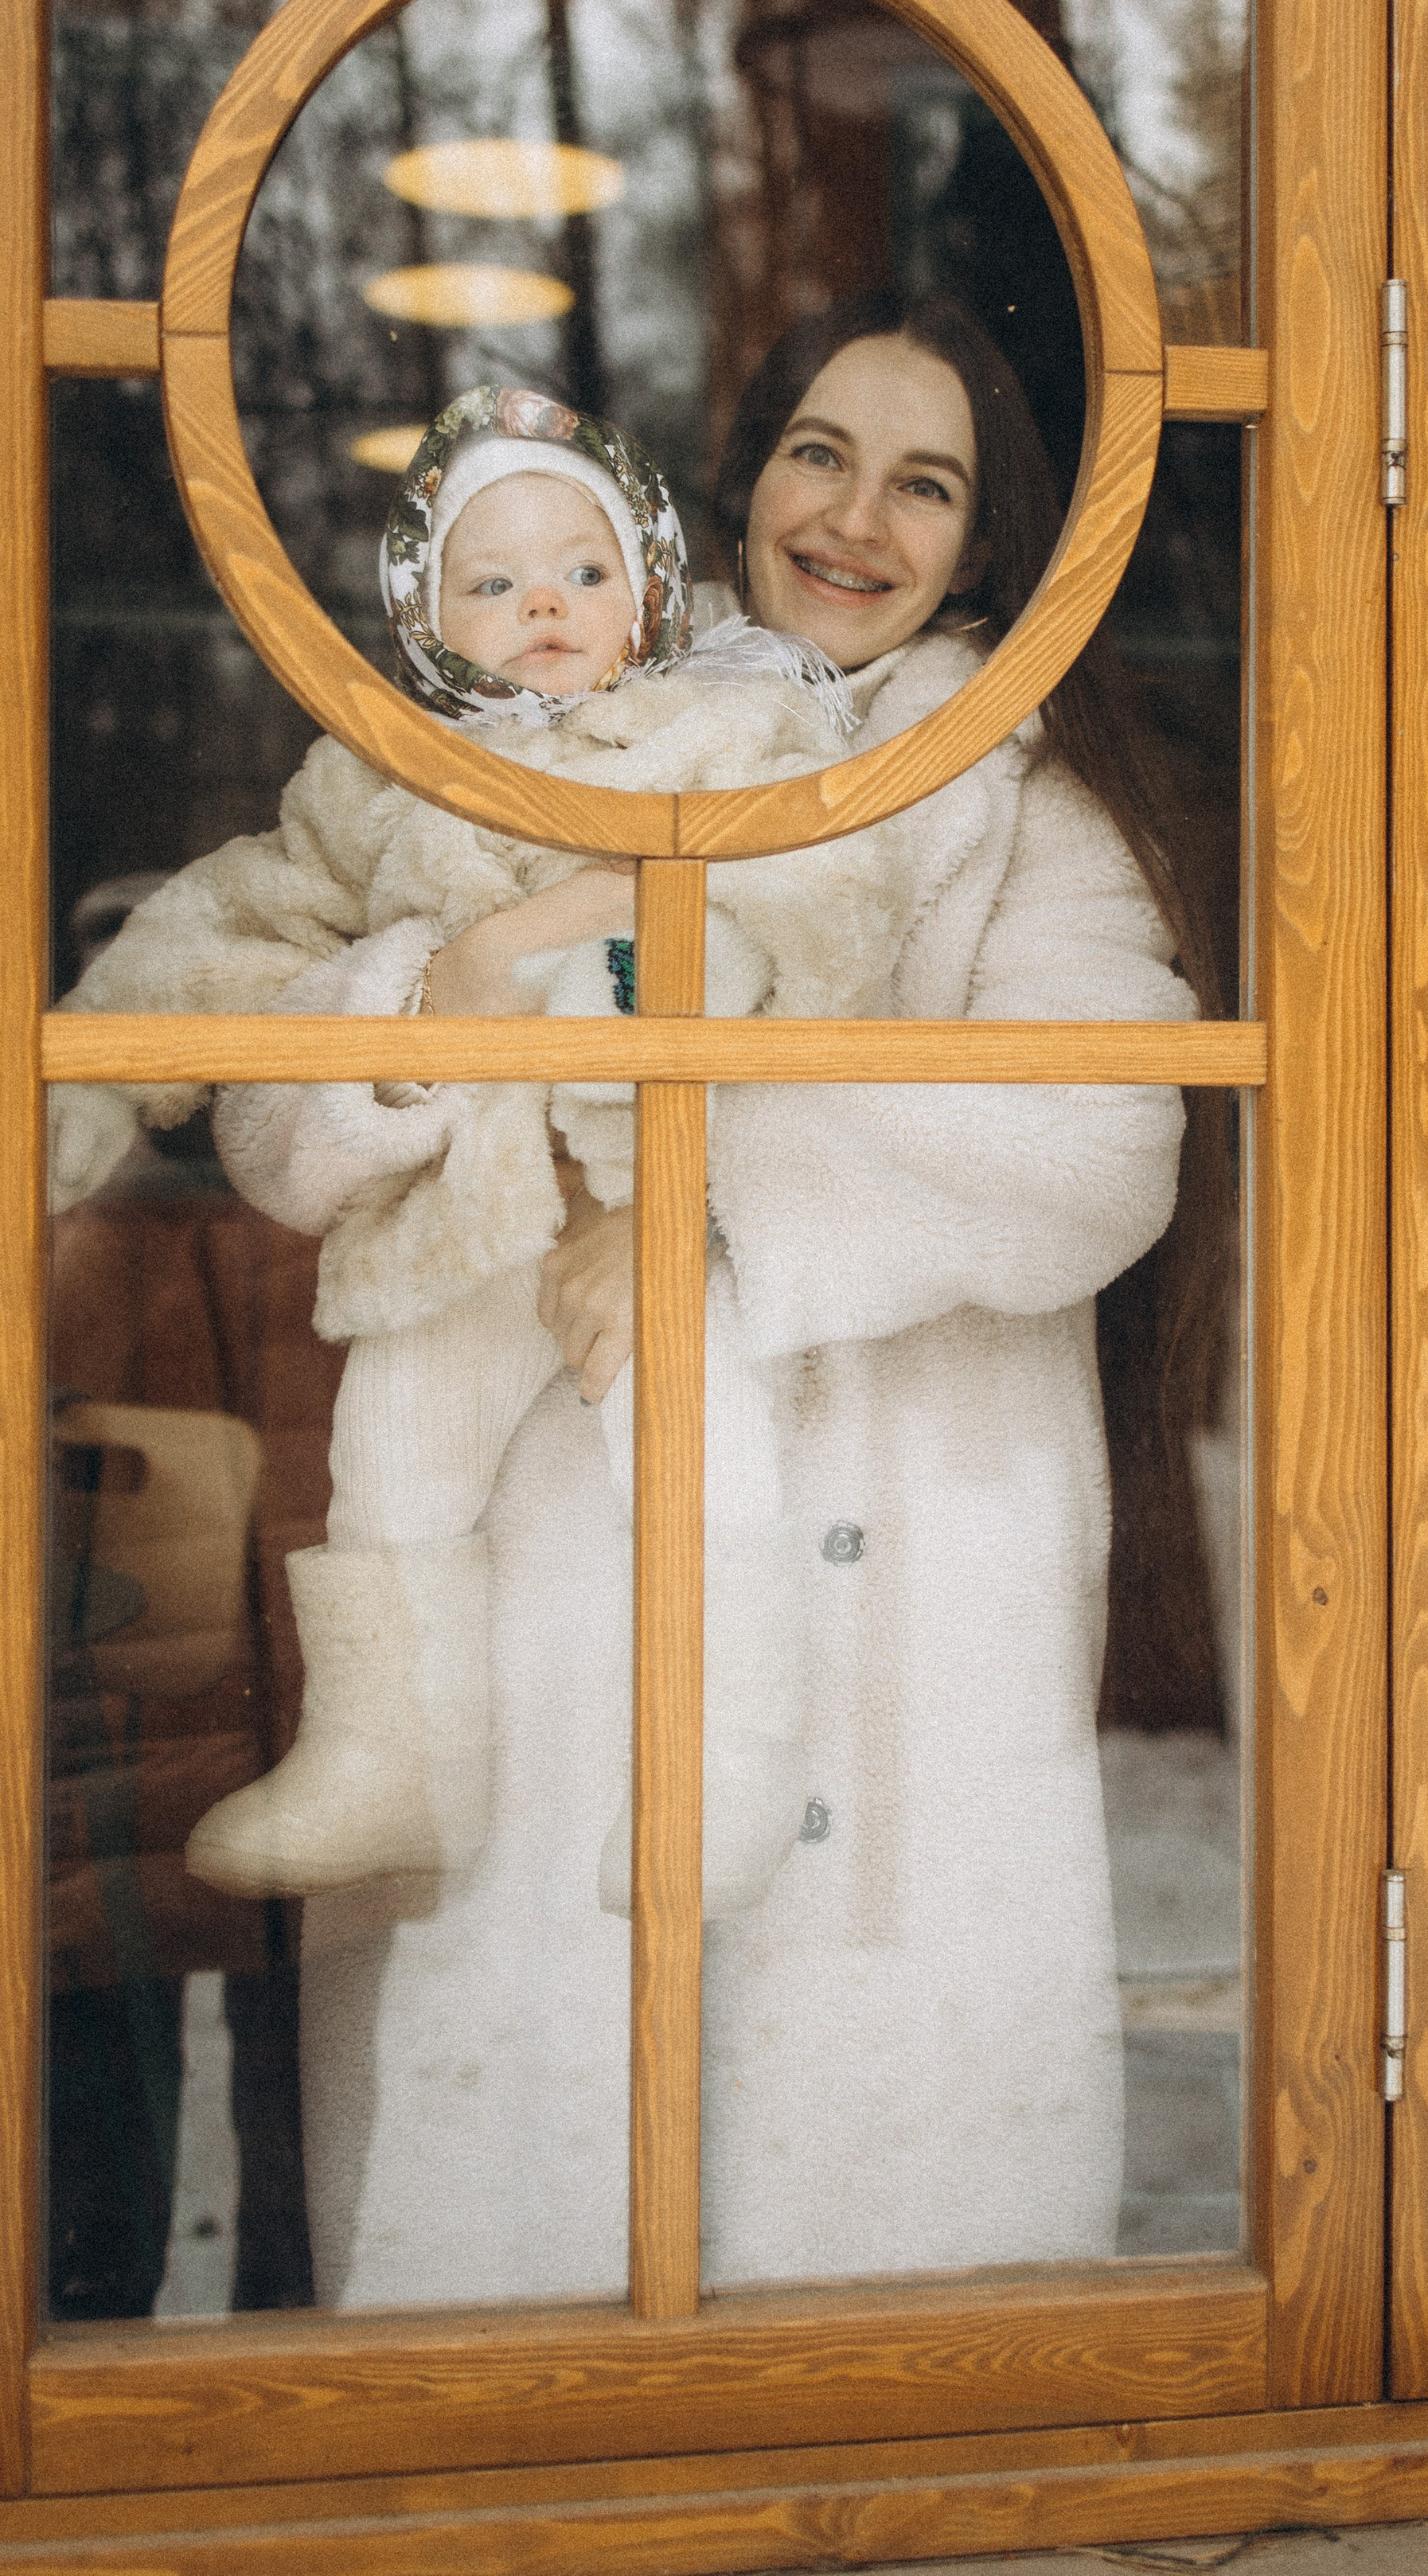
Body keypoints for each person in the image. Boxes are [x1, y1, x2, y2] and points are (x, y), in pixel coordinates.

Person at [225, 293, 1221, 2310]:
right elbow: (274, 1130)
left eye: (923, 483)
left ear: (993, 548)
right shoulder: (551, 712)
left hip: (911, 1590)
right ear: (742, 479)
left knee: (878, 2226)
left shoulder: (1040, 813)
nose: (855, 517)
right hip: (558, 1561)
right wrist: (463, 987)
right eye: (817, 455)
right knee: (528, 2160)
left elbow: (1095, 1152)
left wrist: (691, 1205)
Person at [47, 384, 913, 1919]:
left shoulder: (731, 724)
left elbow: (829, 905)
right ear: (428, 618)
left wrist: (622, 928)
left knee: (703, 1455)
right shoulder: (382, 774)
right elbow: (230, 918)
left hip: (659, 1188)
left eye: (582, 573)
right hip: (471, 1204)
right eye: (492, 582)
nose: (545, 610)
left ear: (647, 581)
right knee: (392, 1451)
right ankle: (392, 1751)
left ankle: (729, 1761)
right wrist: (106, 1078)